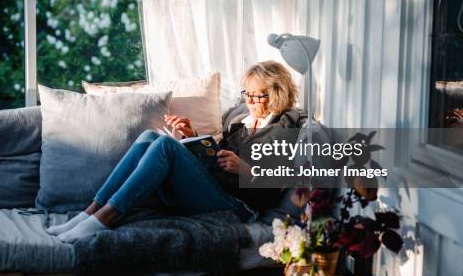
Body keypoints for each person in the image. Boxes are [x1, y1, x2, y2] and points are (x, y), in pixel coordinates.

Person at [47, 61, 305, 243]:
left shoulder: (283, 128)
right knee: (150, 137)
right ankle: (89, 211)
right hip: (216, 190)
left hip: (238, 208)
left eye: (255, 96)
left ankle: (103, 219)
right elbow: (218, 159)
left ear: (274, 95)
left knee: (165, 146)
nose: (248, 101)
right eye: (245, 94)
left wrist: (245, 170)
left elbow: (277, 183)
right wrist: (195, 140)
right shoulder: (241, 123)